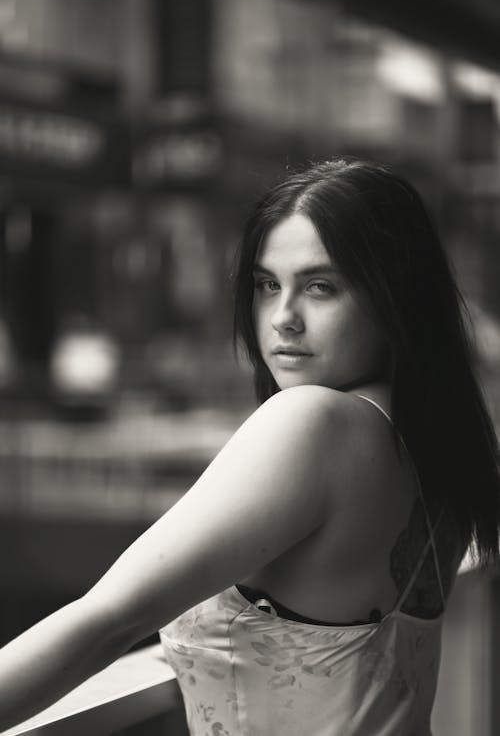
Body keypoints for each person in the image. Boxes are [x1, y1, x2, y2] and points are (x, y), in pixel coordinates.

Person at [1, 157, 499, 735]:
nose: (282, 318)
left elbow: (107, 621)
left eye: (321, 286)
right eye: (267, 285)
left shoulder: (314, 423)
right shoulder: (435, 440)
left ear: (395, 297)